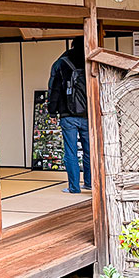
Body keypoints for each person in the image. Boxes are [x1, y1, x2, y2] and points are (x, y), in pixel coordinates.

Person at [48, 37, 91, 194]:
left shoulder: (61, 63)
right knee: (89, 151)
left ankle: (74, 187)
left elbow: (54, 90)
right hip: (88, 115)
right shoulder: (91, 62)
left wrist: (52, 111)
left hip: (67, 115)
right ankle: (90, 183)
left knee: (71, 152)